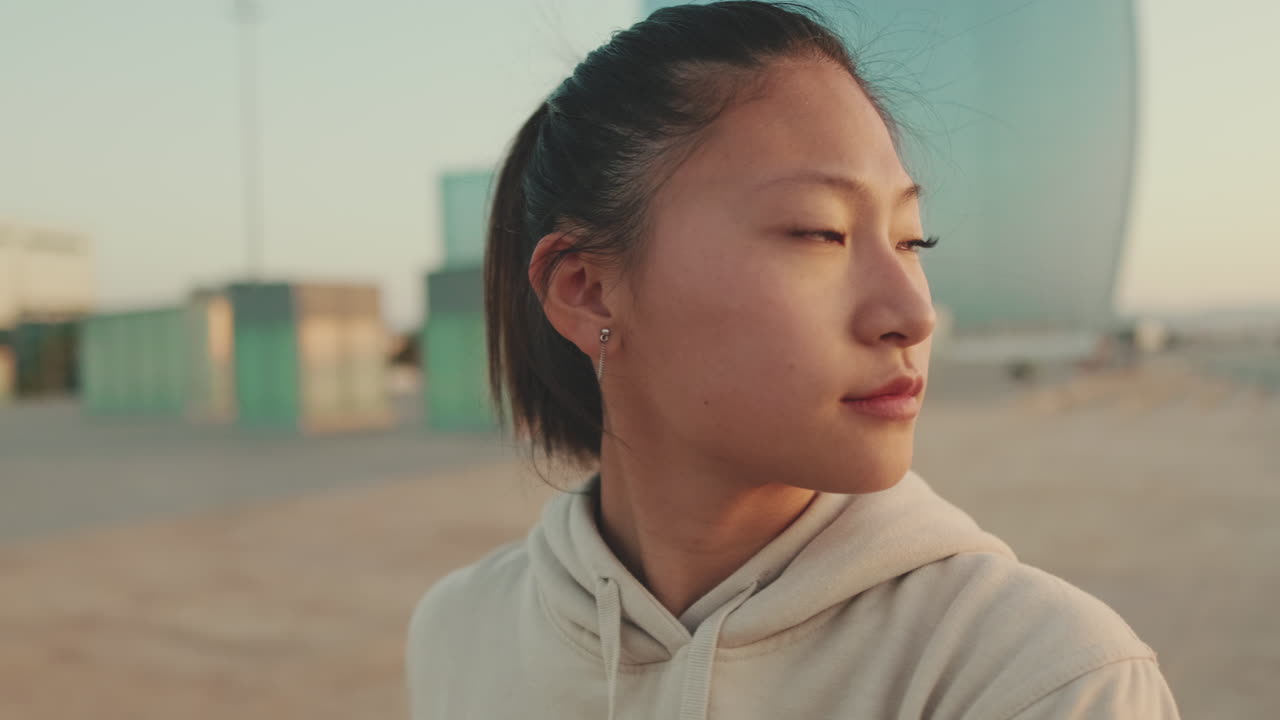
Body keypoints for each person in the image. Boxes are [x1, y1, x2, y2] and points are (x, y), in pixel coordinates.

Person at [405, 2, 1180, 717]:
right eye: (820, 232)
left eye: (912, 241)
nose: (911, 314)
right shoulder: (461, 634)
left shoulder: (1038, 678)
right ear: (588, 291)